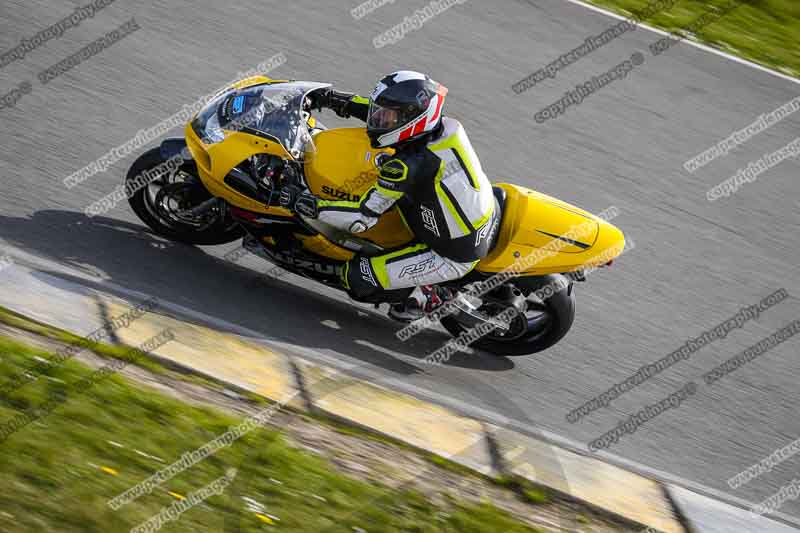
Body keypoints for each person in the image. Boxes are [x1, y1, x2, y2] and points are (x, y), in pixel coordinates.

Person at [280, 71, 499, 320]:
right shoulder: (445, 125)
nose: (377, 121)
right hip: (476, 212)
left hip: (450, 254)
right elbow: (388, 118)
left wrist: (305, 202)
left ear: (412, 120)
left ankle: (429, 296)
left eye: (386, 116)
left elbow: (361, 218)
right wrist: (333, 99)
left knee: (357, 279)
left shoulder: (405, 167)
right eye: (379, 112)